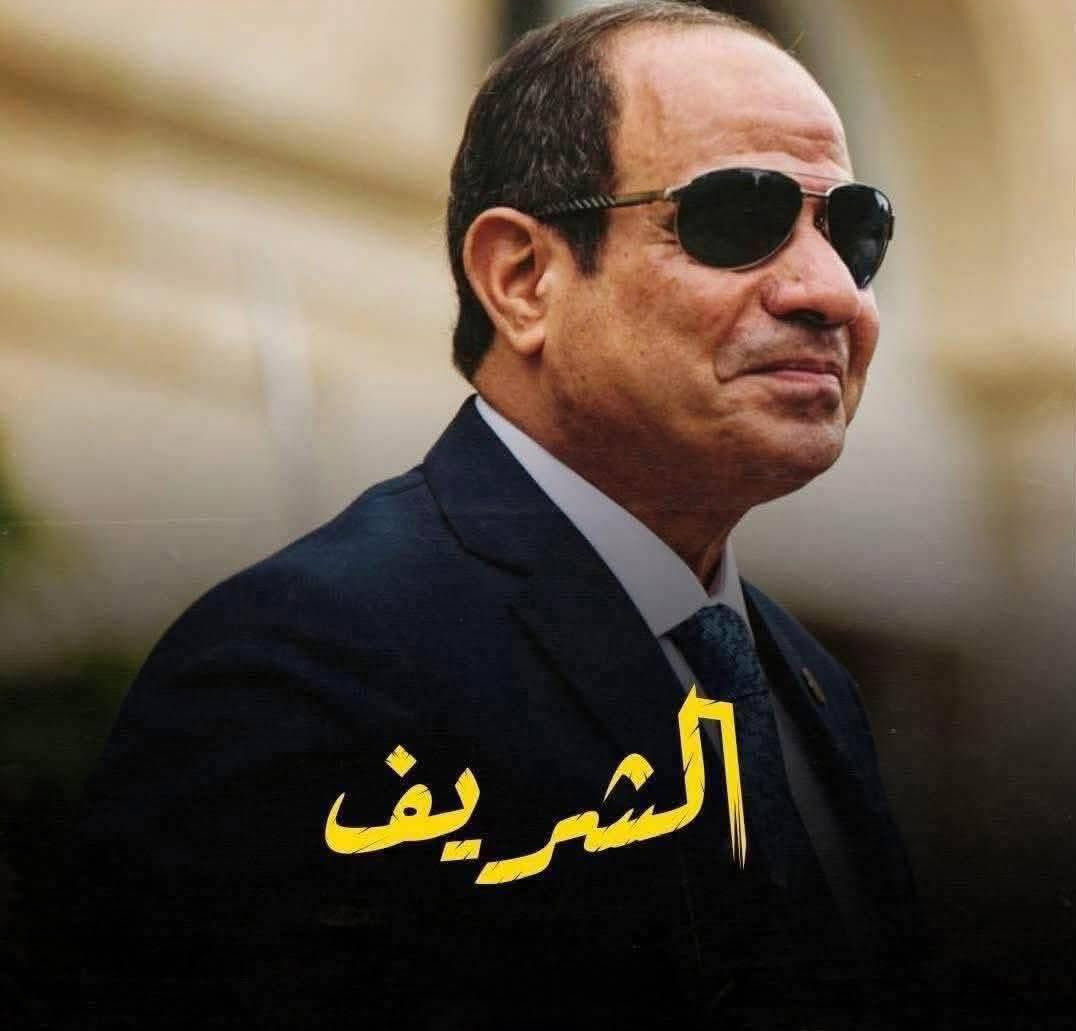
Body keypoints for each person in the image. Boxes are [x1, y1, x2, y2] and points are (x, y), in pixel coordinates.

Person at [77, 3, 929, 1028]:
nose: (831, 293)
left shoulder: (809, 684)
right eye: (737, 218)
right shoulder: (297, 669)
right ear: (523, 279)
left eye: (853, 233)